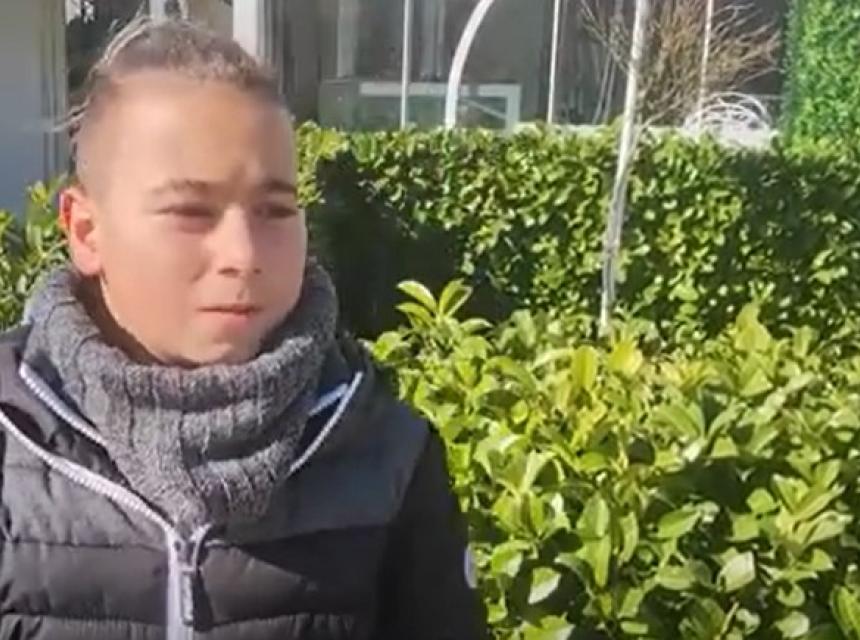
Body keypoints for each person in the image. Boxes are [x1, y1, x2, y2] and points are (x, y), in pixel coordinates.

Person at [0, 18, 487, 640]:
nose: (243, 254)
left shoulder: (385, 453)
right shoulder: (15, 440)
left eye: (274, 210)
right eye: (190, 211)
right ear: (86, 231)